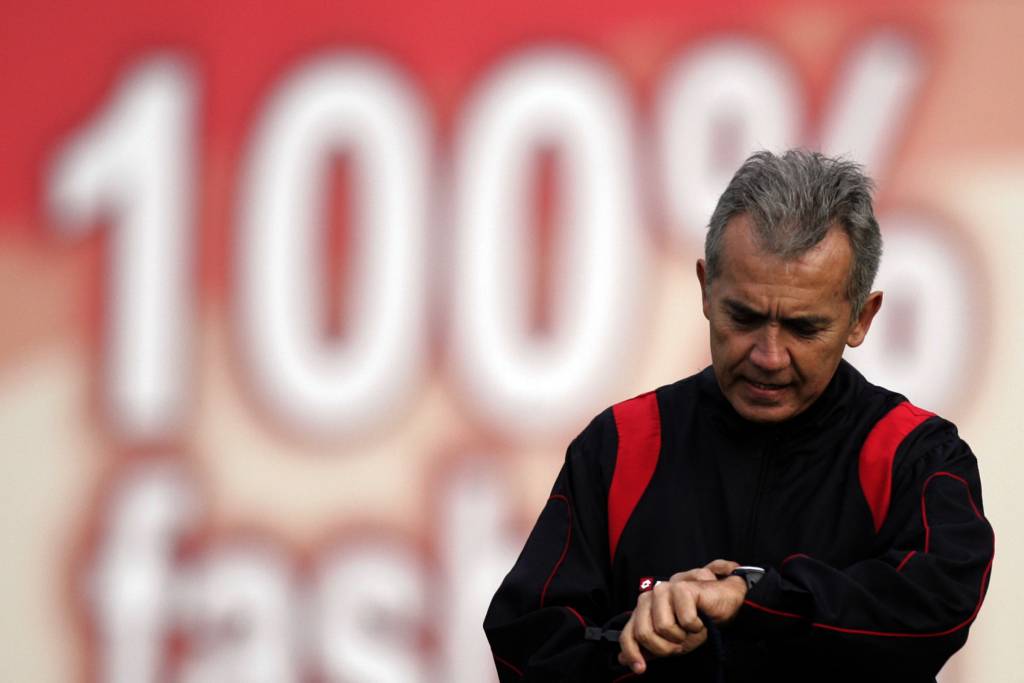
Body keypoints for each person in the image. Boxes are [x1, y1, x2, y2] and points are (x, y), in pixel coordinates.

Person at [483, 150, 994, 682]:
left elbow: (936, 607)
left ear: (861, 318)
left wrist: (750, 597)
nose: (769, 356)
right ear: (706, 288)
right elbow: (527, 647)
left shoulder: (915, 455)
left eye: (803, 328)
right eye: (744, 317)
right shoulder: (620, 445)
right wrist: (641, 639)